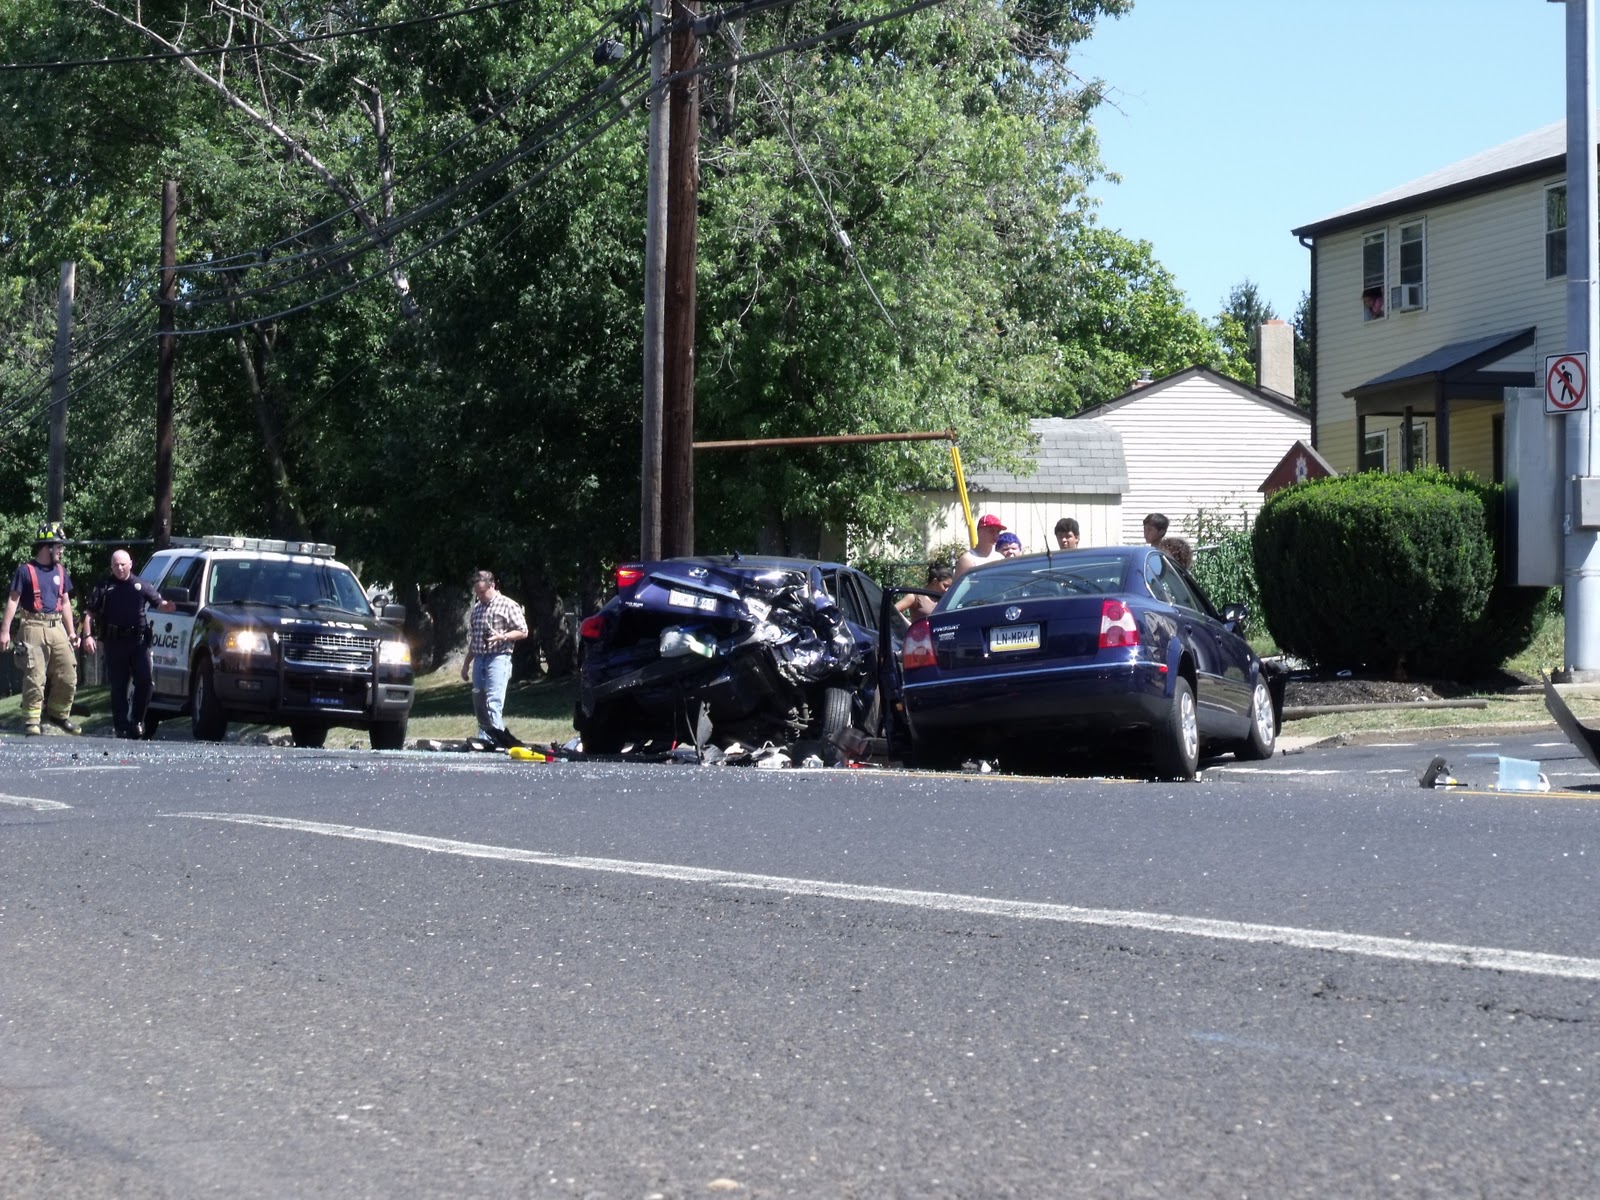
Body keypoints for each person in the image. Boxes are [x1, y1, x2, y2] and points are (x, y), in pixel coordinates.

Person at [82, 549, 176, 739]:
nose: (120, 568)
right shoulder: (104, 587)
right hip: (114, 642)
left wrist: (167, 606)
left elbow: (159, 602)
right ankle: (121, 726)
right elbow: (89, 614)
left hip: (138, 642)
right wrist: (87, 636)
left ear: (130, 564)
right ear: (111, 566)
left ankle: (138, 720)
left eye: (123, 564)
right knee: (118, 685)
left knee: (145, 682)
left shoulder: (140, 585)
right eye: (116, 565)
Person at [0, 521, 83, 736]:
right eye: (58, 547)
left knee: (68, 672)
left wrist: (72, 632)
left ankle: (59, 714)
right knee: (35, 676)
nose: (61, 551)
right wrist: (5, 631)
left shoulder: (61, 571)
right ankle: (32, 721)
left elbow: (65, 603)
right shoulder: (25, 571)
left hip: (57, 627)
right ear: (47, 547)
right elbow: (13, 600)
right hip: (33, 627)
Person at [460, 569, 529, 743]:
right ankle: (488, 739)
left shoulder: (508, 605)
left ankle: (494, 740)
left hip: (499, 657)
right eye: (477, 593)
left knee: (493, 701)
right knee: (480, 702)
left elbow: (523, 631)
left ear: (492, 585)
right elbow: (475, 640)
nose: (479, 596)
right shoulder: (477, 609)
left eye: (482, 592)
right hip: (479, 659)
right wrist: (466, 664)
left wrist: (502, 636)